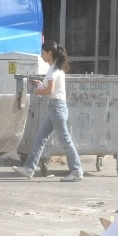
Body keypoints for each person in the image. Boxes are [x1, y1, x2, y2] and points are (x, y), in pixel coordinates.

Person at [13, 42, 84, 182]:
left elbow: (50, 91)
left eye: (43, 53)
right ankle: (29, 168)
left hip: (56, 108)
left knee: (65, 141)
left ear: (49, 53)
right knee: (40, 138)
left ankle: (77, 170)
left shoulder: (53, 70)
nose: (41, 55)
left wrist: (37, 91)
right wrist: (40, 84)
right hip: (56, 108)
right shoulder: (56, 69)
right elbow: (52, 88)